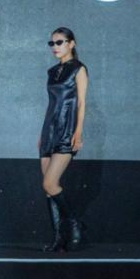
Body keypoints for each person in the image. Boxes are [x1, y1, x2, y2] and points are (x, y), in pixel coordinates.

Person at [38, 27, 88, 251]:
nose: (55, 47)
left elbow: (82, 103)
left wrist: (78, 132)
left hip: (67, 129)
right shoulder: (52, 72)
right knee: (48, 189)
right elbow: (51, 104)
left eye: (59, 42)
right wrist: (42, 134)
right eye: (52, 43)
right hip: (48, 131)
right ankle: (58, 238)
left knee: (50, 182)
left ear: (71, 43)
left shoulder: (79, 69)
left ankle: (75, 223)